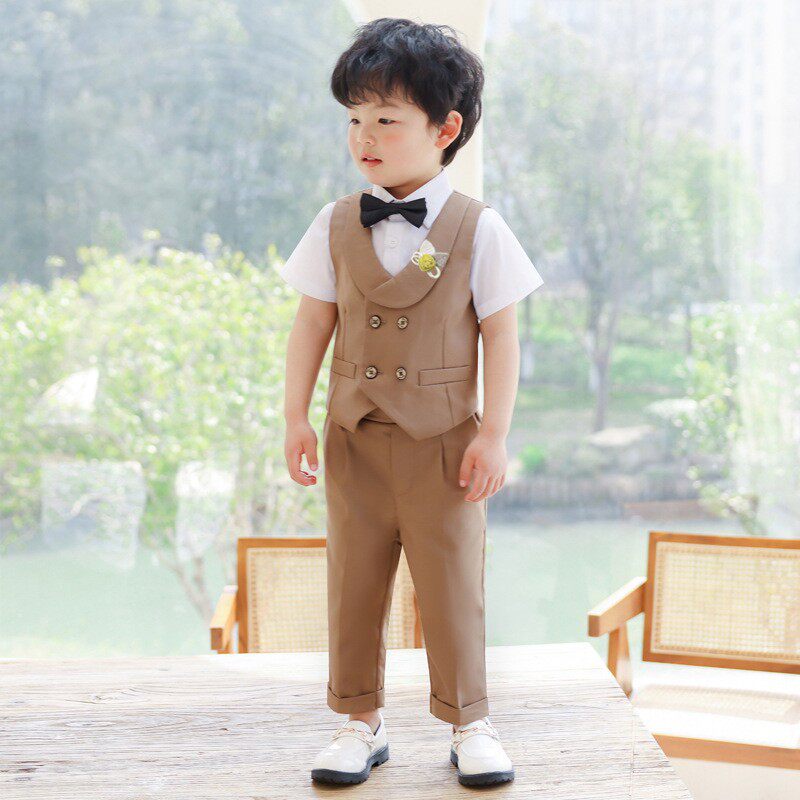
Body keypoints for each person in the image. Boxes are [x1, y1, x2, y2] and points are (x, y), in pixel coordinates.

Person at [278, 17, 543, 787]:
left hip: (444, 445)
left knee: (452, 582)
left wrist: (494, 434)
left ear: (445, 128)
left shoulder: (479, 228)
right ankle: (359, 721)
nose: (365, 136)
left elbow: (502, 336)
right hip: (354, 438)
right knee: (353, 583)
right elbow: (312, 325)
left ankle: (470, 723)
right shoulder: (334, 223)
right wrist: (295, 417)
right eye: (354, 119)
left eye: (386, 119)